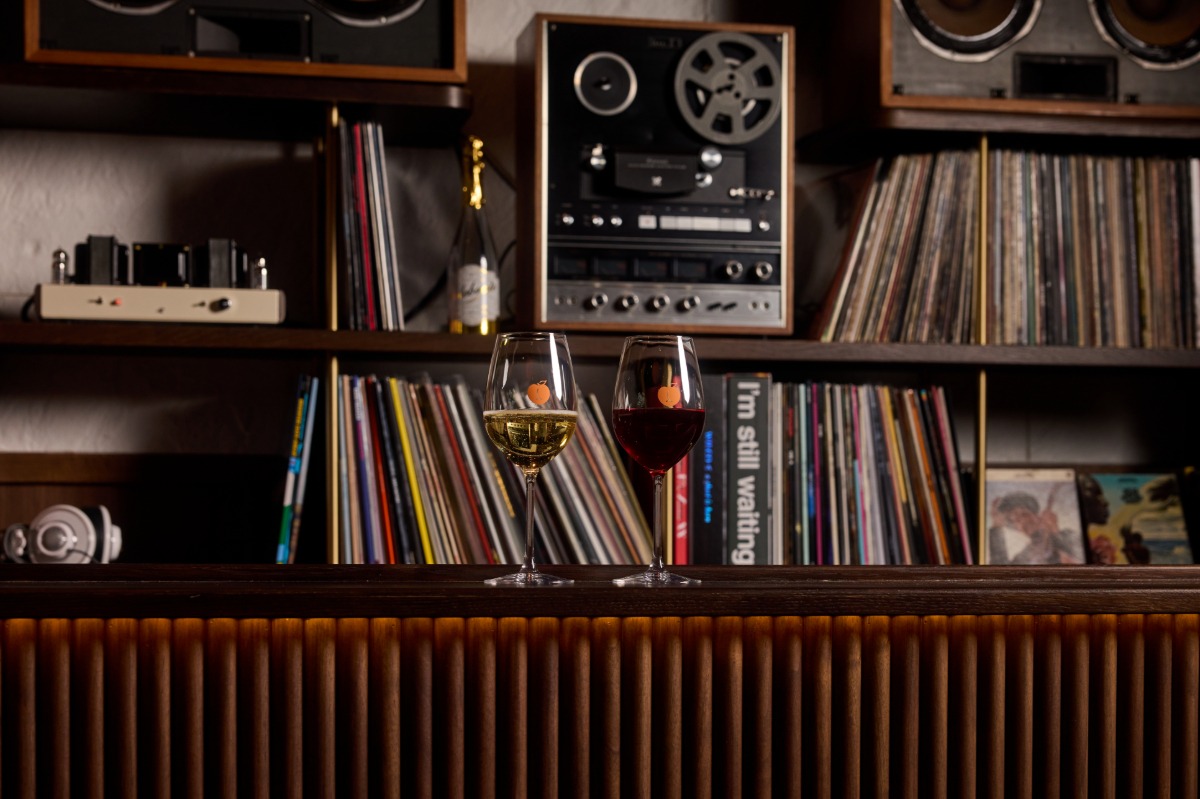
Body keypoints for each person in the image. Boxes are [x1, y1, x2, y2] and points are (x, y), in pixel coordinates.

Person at [988, 491, 1084, 565]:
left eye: (1025, 514)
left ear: (1037, 514)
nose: (1023, 521)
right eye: (1017, 520)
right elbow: (1001, 575)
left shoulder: (1069, 536)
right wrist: (997, 527)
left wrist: (1055, 532)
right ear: (1016, 528)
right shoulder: (1022, 557)